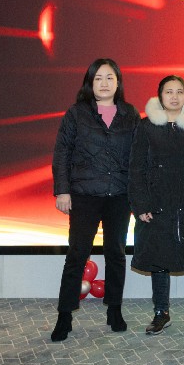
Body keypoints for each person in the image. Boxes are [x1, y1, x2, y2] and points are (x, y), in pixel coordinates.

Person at [50, 58, 139, 342]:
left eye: (110, 77)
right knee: (77, 254)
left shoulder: (129, 113)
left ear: (118, 82)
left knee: (116, 254)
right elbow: (62, 152)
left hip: (119, 195)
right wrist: (62, 191)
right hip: (84, 195)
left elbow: (138, 157)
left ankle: (114, 310)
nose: (104, 83)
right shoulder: (76, 113)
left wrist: (139, 195)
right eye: (98, 78)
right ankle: (64, 316)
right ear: (90, 82)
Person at [129, 75, 184, 335]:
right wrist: (141, 204)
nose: (174, 97)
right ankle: (161, 312)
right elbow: (136, 167)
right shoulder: (147, 126)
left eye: (180, 92)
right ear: (160, 96)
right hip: (157, 202)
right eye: (169, 92)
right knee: (159, 259)